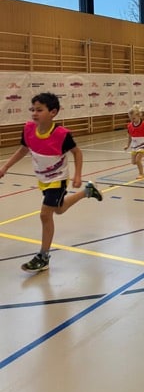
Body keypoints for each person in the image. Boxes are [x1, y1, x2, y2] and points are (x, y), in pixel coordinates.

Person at [0, 92, 103, 273]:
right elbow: (23, 149)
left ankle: (43, 256)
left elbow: (77, 152)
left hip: (58, 179)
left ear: (53, 112)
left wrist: (77, 175)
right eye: (33, 109)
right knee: (59, 209)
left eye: (39, 110)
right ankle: (88, 191)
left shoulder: (61, 135)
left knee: (45, 215)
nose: (34, 113)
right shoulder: (28, 130)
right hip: (43, 179)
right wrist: (5, 167)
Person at [124, 104, 144, 179]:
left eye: (134, 118)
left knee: (138, 160)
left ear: (138, 116)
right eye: (130, 119)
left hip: (143, 145)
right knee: (133, 162)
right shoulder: (129, 126)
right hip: (134, 145)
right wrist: (127, 145)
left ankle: (141, 174)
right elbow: (129, 137)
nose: (132, 120)